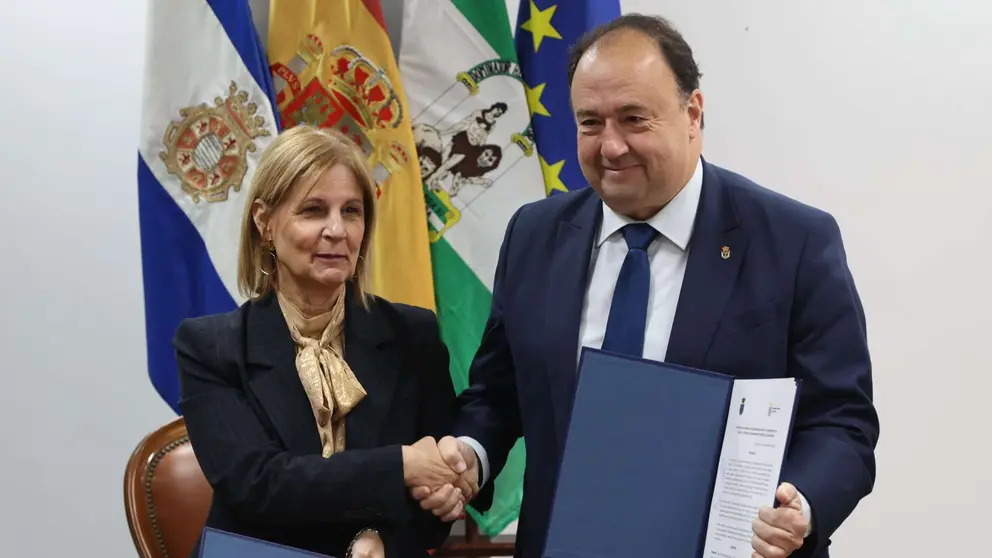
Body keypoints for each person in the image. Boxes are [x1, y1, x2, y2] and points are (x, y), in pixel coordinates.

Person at [412, 13, 879, 558]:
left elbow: (842, 422)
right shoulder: (535, 236)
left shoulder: (793, 241)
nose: (610, 146)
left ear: (692, 114)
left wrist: (804, 504)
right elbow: (498, 394)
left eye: (633, 119)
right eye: (590, 123)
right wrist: (470, 453)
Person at [175, 125, 472, 558]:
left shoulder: (413, 335)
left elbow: (436, 493)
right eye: (314, 210)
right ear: (265, 222)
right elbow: (257, 485)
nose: (337, 230)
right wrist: (402, 466)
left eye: (351, 211)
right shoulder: (209, 347)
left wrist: (389, 536)